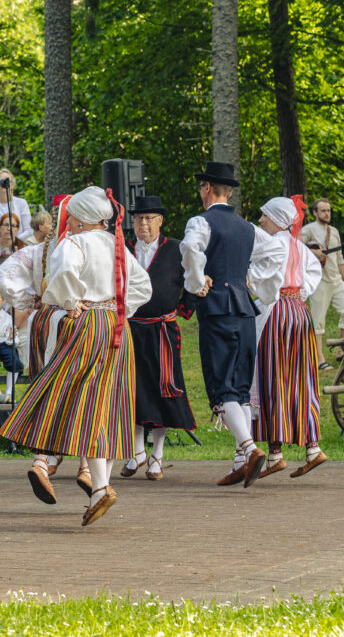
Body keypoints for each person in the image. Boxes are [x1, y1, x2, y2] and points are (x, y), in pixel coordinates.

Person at [0, 186, 151, 524]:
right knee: (109, 401)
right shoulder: (118, 245)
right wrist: (119, 306)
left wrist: (70, 303)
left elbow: (65, 274)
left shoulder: (72, 243)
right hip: (118, 326)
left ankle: (83, 480)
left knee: (79, 397)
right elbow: (143, 287)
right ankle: (99, 485)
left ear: (79, 218)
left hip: (87, 323)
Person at [179, 161, 282, 488]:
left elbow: (190, 248)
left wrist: (196, 283)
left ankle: (250, 450)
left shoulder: (201, 221)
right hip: (244, 310)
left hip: (218, 310)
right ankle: (241, 459)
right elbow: (277, 254)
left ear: (207, 188)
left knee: (222, 387)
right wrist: (256, 285)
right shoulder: (249, 228)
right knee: (238, 385)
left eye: (201, 187)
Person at [0, 195, 75, 477]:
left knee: (46, 390)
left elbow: (2, 276)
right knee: (75, 391)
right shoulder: (79, 249)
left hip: (46, 325)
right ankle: (84, 465)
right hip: (78, 325)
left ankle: (47, 456)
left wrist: (30, 299)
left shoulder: (38, 251)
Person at [120, 196, 196, 481]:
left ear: (160, 221)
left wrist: (184, 309)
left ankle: (157, 456)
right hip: (130, 328)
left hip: (163, 330)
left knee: (163, 389)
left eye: (149, 218)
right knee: (133, 389)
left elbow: (195, 279)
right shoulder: (124, 249)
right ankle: (135, 451)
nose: (144, 224)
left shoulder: (176, 249)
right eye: (139, 218)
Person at [253, 196, 326, 479]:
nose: (261, 221)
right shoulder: (299, 247)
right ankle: (312, 448)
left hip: (277, 312)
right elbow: (312, 275)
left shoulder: (269, 244)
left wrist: (251, 286)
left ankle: (275, 453)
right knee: (301, 378)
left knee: (273, 377)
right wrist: (297, 294)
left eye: (264, 217)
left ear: (275, 219)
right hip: (299, 311)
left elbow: (259, 278)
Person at [301, 198, 344, 369]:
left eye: (329, 210)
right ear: (315, 213)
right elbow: (295, 246)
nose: (327, 213)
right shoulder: (308, 230)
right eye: (323, 210)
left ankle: (341, 350)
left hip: (336, 280)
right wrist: (313, 251)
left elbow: (339, 258)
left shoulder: (335, 231)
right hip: (319, 281)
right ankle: (319, 358)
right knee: (318, 320)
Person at [0, 169, 31, 239]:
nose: (5, 183)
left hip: (18, 245)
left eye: (8, 181)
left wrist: (15, 241)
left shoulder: (22, 203)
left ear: (12, 185)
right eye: (2, 181)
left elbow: (29, 230)